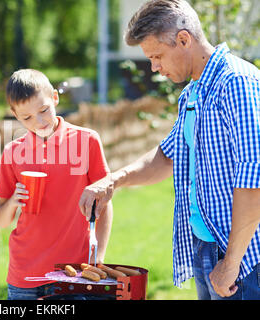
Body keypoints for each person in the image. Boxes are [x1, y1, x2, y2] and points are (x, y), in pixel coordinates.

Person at [80, 0, 260, 300]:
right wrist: (113, 180)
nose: (154, 67)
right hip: (208, 246)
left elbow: (254, 177)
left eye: (157, 56)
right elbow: (168, 155)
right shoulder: (193, 92)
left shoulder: (237, 83)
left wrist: (231, 262)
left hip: (244, 258)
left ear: (184, 39)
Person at [0, 69, 113, 300]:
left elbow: (105, 204)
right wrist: (12, 203)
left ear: (55, 98)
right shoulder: (12, 152)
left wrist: (98, 257)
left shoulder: (86, 141)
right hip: (25, 273)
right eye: (26, 117)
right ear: (15, 115)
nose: (38, 122)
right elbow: (1, 220)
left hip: (74, 271)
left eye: (44, 110)